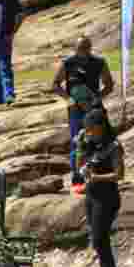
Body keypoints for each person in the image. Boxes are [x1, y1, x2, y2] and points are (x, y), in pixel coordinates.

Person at [52, 36, 114, 195]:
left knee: (99, 140)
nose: (83, 53)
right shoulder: (68, 63)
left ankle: (99, 176)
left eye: (86, 49)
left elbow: (109, 84)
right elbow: (55, 84)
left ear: (90, 48)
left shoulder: (99, 62)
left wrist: (98, 97)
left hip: (94, 109)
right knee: (77, 143)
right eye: (80, 50)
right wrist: (69, 99)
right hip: (76, 110)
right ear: (75, 49)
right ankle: (77, 178)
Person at [76, 108, 125, 267]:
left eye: (90, 129)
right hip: (91, 196)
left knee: (99, 239)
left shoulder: (113, 146)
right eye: (86, 130)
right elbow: (80, 167)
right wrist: (80, 150)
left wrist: (96, 177)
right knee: (98, 241)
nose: (88, 132)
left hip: (108, 198)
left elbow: (120, 175)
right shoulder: (89, 143)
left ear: (100, 127)